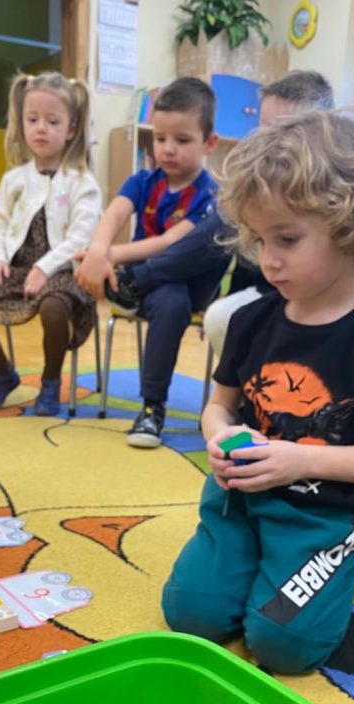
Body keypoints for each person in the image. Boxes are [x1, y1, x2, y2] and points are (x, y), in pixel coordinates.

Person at [162, 110, 354, 674]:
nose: (269, 259)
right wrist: (218, 435)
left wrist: (299, 460)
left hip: (320, 520)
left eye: (287, 238)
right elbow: (218, 406)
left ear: (350, 224)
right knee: (190, 615)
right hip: (237, 504)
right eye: (260, 239)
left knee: (283, 644)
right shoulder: (251, 320)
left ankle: (337, 561)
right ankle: (249, 568)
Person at [97, 71, 335, 361]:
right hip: (258, 288)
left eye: (283, 132)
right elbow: (247, 263)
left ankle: (137, 279)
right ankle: (138, 280)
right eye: (264, 129)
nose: (267, 142)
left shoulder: (329, 192)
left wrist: (112, 255)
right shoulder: (260, 184)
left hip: (297, 292)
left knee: (225, 217)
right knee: (228, 221)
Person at [74, 77, 218, 448]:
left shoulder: (209, 194)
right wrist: (96, 249)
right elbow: (114, 215)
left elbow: (171, 243)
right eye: (160, 138)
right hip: (151, 287)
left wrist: (107, 256)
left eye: (182, 140)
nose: (168, 149)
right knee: (167, 297)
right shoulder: (143, 180)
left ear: (209, 143)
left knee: (174, 299)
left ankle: (153, 407)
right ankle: (152, 406)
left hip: (183, 284)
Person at [0, 72, 101, 417]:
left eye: (53, 121)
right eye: (32, 120)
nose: (41, 129)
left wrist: (44, 268)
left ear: (71, 130)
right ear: (21, 125)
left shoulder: (82, 182)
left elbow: (81, 238)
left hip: (66, 274)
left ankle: (50, 383)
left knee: (53, 308)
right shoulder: (14, 179)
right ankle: (4, 373)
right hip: (18, 271)